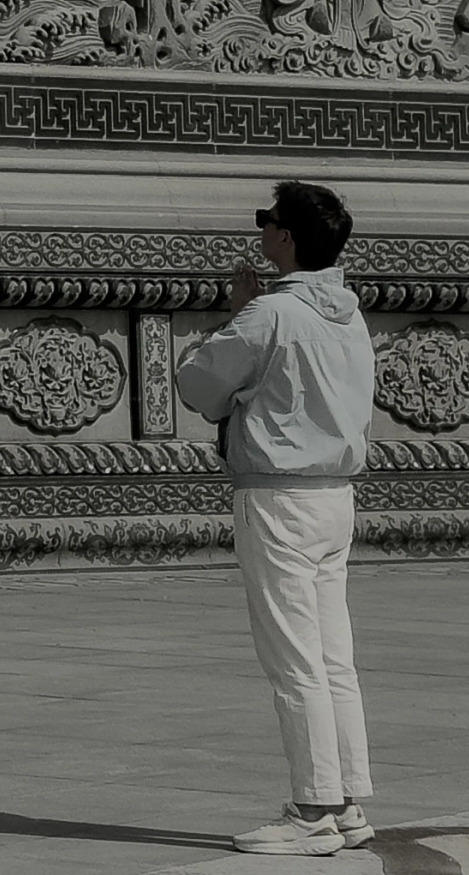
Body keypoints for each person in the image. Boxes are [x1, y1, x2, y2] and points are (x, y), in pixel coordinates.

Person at [176, 181, 378, 857]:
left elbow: (198, 383)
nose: (259, 232)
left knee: (293, 661)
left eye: (266, 222)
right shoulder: (347, 314)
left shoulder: (270, 316)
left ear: (286, 237)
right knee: (331, 658)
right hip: (333, 495)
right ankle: (346, 801)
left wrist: (237, 316)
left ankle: (313, 809)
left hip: (278, 497)